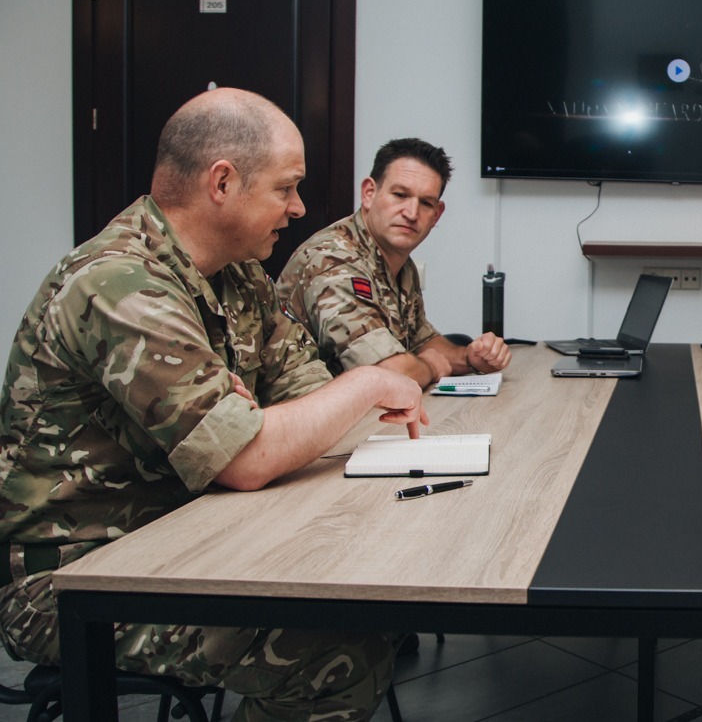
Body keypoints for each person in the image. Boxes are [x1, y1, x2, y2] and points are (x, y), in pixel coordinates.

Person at [0, 88, 428, 720]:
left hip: (191, 533)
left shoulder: (239, 276)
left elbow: (308, 396)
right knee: (334, 651)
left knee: (367, 609)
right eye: (287, 188)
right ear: (223, 182)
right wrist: (364, 386)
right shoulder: (119, 282)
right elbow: (248, 455)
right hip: (80, 578)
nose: (299, 207)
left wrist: (284, 419)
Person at [278, 138, 510, 389]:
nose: (411, 213)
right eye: (400, 195)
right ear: (369, 193)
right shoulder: (332, 259)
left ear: (436, 215)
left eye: (426, 203)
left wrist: (471, 358)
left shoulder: (399, 263)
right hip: (307, 420)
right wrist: (430, 367)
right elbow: (385, 373)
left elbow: (423, 343)